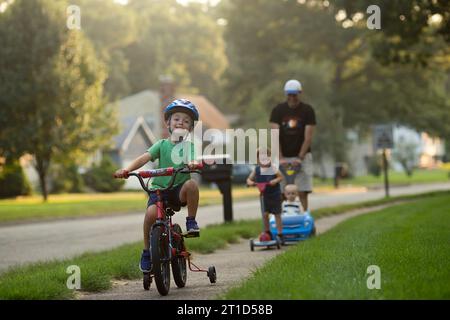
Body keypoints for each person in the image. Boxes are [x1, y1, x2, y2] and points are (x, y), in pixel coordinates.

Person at [114, 99, 201, 273]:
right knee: (150, 215)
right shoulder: (161, 145)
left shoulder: (189, 146)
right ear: (168, 123)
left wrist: (192, 163)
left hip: (178, 190)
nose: (181, 123)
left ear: (190, 128)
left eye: (186, 121)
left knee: (192, 184)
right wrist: (126, 169)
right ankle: (147, 251)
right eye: (176, 119)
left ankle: (191, 221)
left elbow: (193, 158)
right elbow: (143, 158)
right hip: (159, 190)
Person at [269, 79, 316, 213]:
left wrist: (300, 158)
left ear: (299, 93)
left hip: (302, 155)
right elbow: (274, 135)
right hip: (282, 156)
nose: (292, 97)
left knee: (302, 191)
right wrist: (281, 158)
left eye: (294, 94)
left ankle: (304, 216)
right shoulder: (278, 110)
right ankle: (280, 221)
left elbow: (308, 137)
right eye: (289, 94)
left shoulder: (307, 110)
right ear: (286, 94)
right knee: (281, 193)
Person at [246, 148, 284, 243]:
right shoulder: (257, 169)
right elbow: (249, 179)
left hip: (274, 194)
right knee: (265, 214)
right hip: (264, 196)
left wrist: (275, 181)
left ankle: (280, 233)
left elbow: (281, 177)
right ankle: (267, 232)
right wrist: (250, 182)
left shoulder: (273, 168)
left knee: (277, 214)